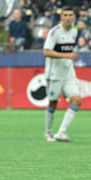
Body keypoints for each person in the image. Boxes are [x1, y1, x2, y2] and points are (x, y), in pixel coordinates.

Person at [43, 6, 82, 142]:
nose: (67, 17)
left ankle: (61, 132)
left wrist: (68, 58)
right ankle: (48, 132)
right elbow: (46, 52)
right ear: (61, 17)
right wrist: (67, 55)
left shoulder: (74, 32)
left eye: (70, 15)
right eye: (65, 15)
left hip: (68, 73)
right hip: (54, 74)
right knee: (53, 103)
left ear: (74, 17)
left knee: (77, 100)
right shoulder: (54, 32)